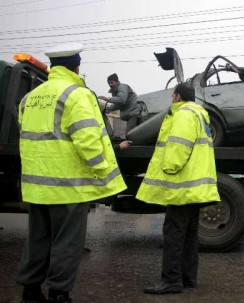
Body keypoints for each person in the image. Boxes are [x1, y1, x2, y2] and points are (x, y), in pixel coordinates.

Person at [16, 43, 127, 303]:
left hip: (36, 185)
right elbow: (87, 139)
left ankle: (30, 292)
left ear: (53, 67)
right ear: (76, 67)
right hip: (68, 187)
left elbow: (28, 131)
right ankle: (58, 294)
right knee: (67, 243)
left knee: (37, 239)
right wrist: (102, 169)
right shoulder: (77, 95)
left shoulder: (31, 97)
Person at [136, 82, 220, 295]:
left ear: (177, 97)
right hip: (193, 187)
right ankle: (188, 278)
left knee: (173, 232)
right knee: (190, 234)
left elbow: (179, 146)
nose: (171, 98)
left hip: (181, 186)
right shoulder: (200, 114)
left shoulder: (183, 114)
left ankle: (171, 280)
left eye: (172, 95)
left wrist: (168, 167)